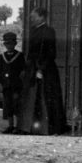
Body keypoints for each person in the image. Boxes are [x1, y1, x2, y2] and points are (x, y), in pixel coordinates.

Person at [21, 7, 67, 135]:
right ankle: (30, 128)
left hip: (45, 70)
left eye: (34, 16)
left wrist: (41, 69)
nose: (31, 19)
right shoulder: (33, 31)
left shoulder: (49, 31)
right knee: (31, 99)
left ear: (41, 17)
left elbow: (51, 53)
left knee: (45, 99)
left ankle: (46, 129)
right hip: (32, 69)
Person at [0, 30, 27, 134]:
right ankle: (10, 126)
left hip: (16, 85)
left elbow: (23, 70)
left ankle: (18, 127)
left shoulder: (20, 56)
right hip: (6, 85)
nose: (9, 46)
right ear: (4, 44)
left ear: (15, 44)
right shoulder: (2, 56)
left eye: (11, 43)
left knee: (16, 105)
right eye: (7, 43)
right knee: (8, 106)